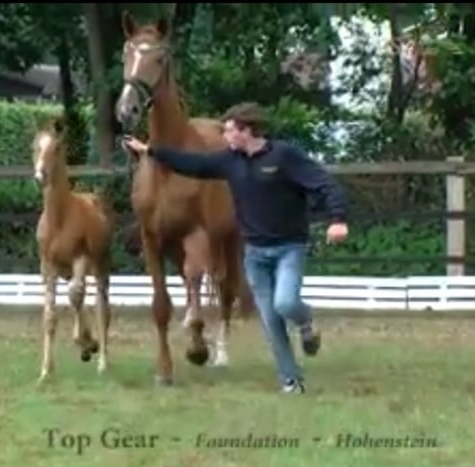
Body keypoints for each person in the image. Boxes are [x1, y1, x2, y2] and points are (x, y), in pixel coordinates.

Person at [122, 101, 349, 394]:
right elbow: (193, 165)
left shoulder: (284, 156)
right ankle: (290, 380)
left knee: (284, 303)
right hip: (255, 254)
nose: (224, 136)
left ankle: (305, 322)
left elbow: (324, 184)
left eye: (229, 131)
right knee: (271, 321)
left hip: (288, 248)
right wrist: (150, 151)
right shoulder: (230, 161)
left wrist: (338, 219)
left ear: (247, 131)